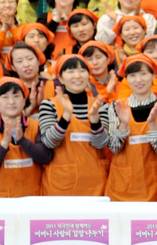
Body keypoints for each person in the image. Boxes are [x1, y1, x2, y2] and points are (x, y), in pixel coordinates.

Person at [104, 54, 157, 201]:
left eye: (143, 74)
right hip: (122, 183)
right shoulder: (116, 106)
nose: (138, 80)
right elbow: (114, 147)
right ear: (126, 79)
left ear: (153, 75)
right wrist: (123, 125)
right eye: (132, 75)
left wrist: (153, 125)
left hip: (155, 183)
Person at [39, 55, 109, 196]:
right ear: (61, 78)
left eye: (82, 71)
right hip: (60, 181)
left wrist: (95, 119)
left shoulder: (100, 106)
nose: (77, 76)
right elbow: (49, 142)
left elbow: (100, 144)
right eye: (70, 71)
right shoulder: (49, 105)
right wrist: (66, 116)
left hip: (94, 182)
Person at [0, 77, 49, 197]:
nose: (11, 102)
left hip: (34, 198)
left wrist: (22, 140)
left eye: (16, 96)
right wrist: (4, 144)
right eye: (5, 97)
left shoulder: (37, 125)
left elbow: (45, 157)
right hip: (2, 200)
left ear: (24, 100)